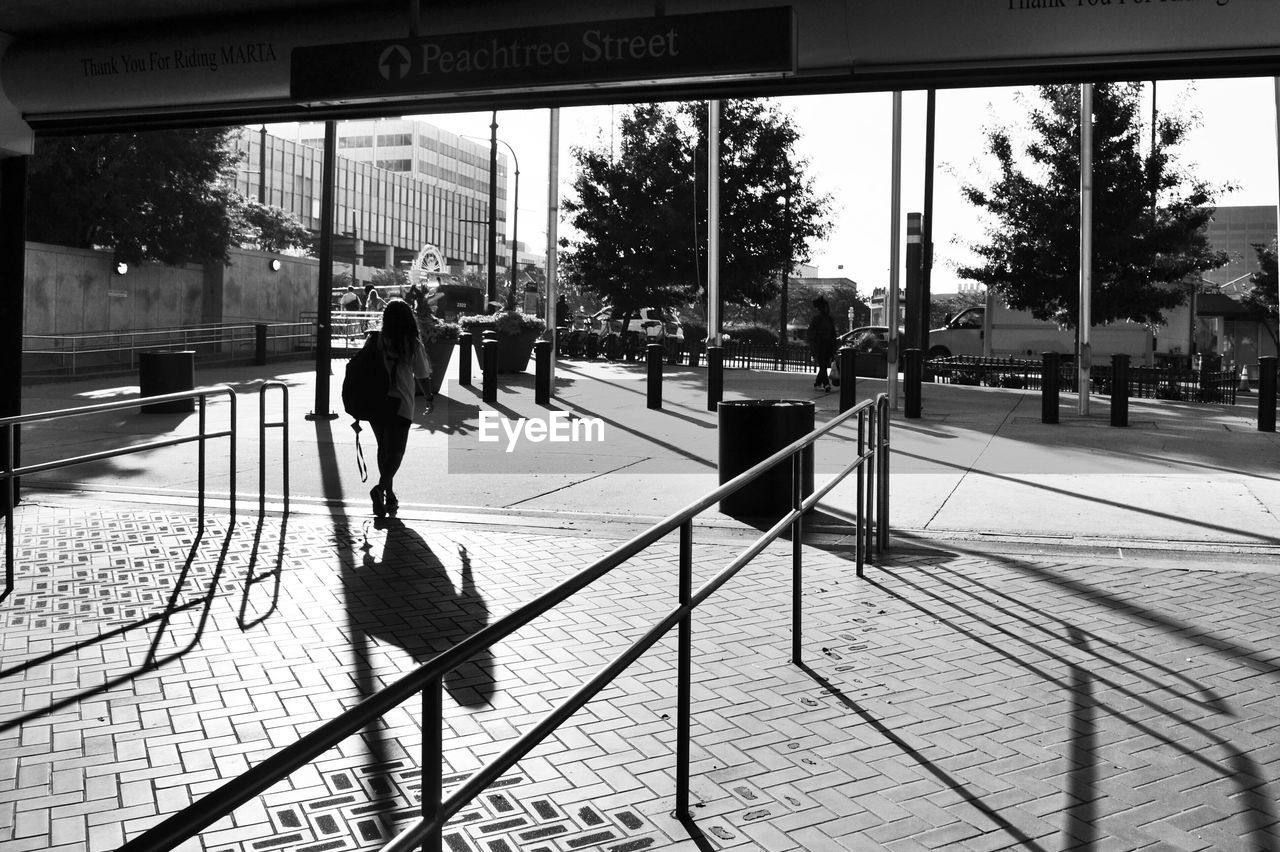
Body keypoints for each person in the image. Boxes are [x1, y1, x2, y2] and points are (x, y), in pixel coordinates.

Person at [368, 298, 432, 518]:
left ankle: (389, 494)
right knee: (397, 451)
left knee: (383, 448)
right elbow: (422, 375)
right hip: (401, 401)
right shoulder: (412, 343)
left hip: (375, 400)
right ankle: (380, 489)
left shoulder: (376, 339)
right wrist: (429, 397)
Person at [806, 296, 837, 391]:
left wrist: (833, 345)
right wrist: (819, 336)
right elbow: (810, 332)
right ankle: (826, 384)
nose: (828, 309)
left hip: (828, 346)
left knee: (823, 366)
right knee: (823, 365)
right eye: (826, 307)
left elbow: (833, 333)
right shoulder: (817, 319)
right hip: (819, 346)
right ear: (822, 308)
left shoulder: (830, 319)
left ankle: (817, 383)